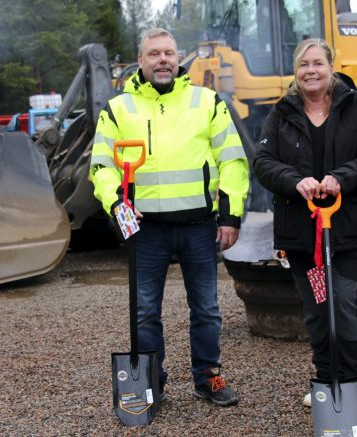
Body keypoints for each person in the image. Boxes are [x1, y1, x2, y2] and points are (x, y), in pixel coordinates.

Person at [90, 28, 249, 407]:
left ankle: (207, 376)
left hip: (199, 226)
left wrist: (231, 214)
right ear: (140, 61)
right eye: (154, 54)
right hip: (146, 230)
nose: (163, 59)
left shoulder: (207, 102)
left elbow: (232, 160)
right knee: (145, 312)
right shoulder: (118, 109)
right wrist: (117, 204)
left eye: (169, 53)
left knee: (207, 309)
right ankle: (149, 381)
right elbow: (101, 167)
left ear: (178, 59)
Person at [253, 38, 357, 417]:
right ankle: (325, 379)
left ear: (331, 66)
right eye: (303, 65)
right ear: (296, 72)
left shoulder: (356, 107)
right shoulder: (282, 113)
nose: (310, 71)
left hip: (345, 227)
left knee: (342, 302)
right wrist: (294, 180)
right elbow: (262, 161)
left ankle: (351, 383)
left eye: (317, 63)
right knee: (316, 307)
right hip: (302, 232)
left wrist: (341, 178)